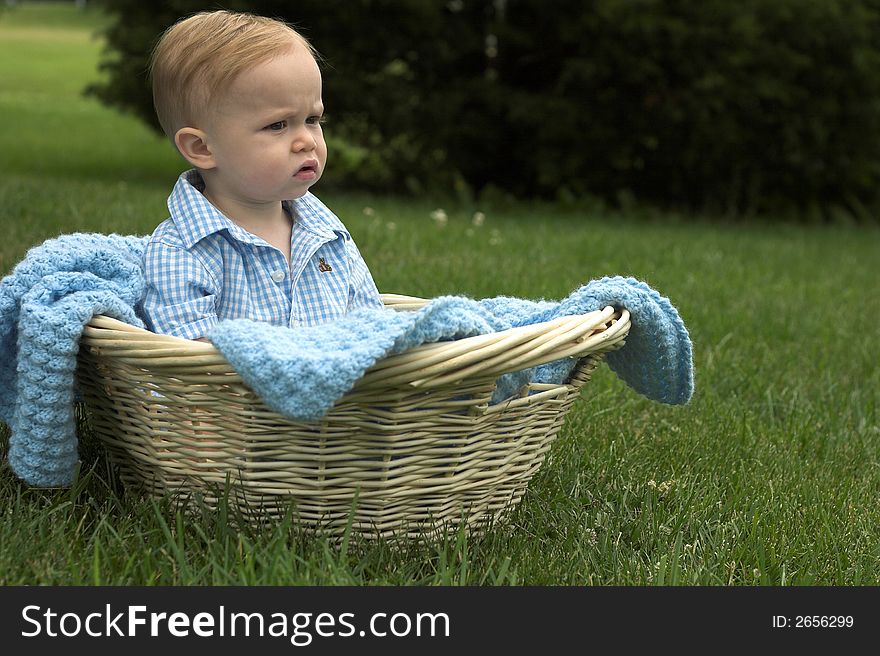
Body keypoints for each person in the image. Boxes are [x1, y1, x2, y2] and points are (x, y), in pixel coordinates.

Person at [141, 10, 382, 340]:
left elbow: (373, 326)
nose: (307, 140)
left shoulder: (327, 234)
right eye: (277, 125)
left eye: (313, 119)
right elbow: (190, 363)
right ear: (202, 148)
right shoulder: (182, 250)